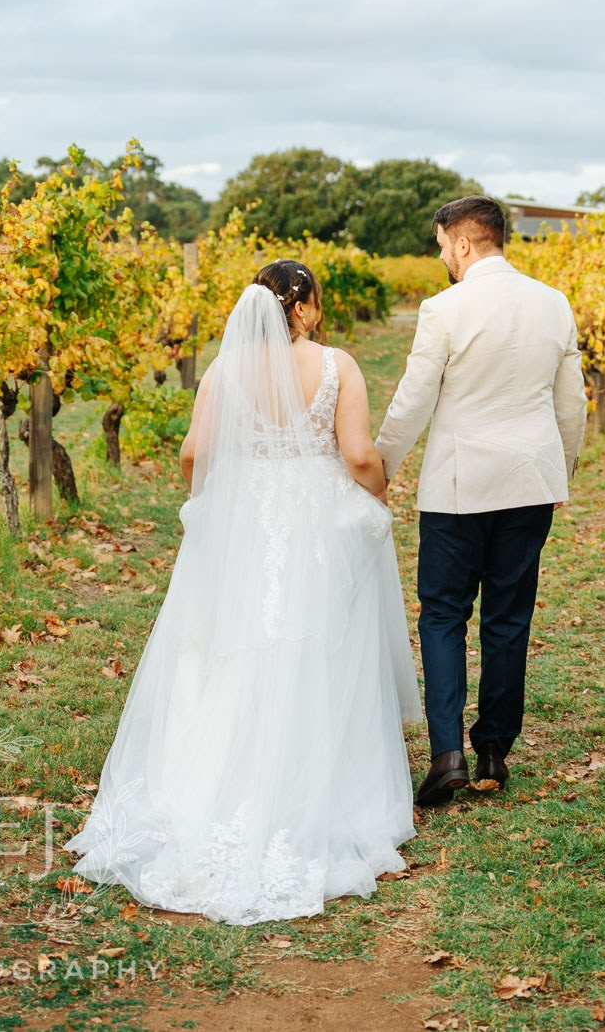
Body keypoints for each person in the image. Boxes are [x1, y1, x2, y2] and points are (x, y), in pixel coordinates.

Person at [63, 260, 421, 924]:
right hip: (317, 523)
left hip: (249, 520)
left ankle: (216, 783)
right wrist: (378, 493)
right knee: (320, 649)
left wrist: (223, 504)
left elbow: (194, 454)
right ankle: (318, 791)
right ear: (307, 307)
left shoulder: (225, 371)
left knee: (230, 647)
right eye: (315, 301)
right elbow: (361, 457)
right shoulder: (337, 365)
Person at [375, 196, 586, 806]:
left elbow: (415, 397)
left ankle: (448, 757)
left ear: (463, 243)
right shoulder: (553, 304)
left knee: (443, 614)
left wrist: (381, 466)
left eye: (441, 244)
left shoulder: (444, 309)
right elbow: (570, 403)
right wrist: (559, 468)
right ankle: (494, 746)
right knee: (507, 617)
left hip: (459, 486)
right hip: (529, 483)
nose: (440, 254)